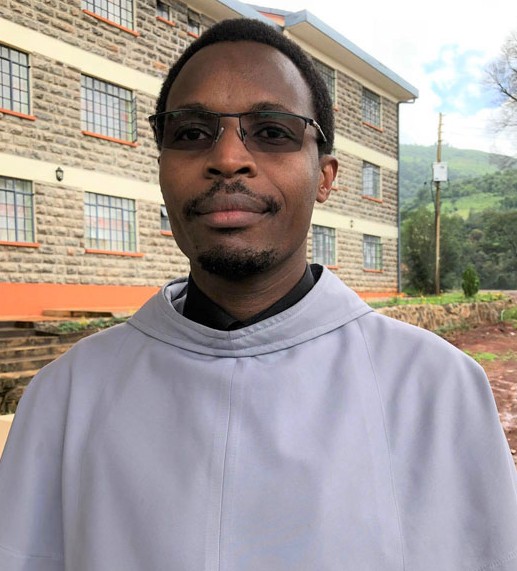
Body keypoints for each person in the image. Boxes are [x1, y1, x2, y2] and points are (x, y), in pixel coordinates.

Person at [0, 17, 516, 571]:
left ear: (325, 175)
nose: (227, 158)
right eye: (191, 133)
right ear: (161, 168)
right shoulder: (66, 398)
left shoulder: (435, 391)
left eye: (271, 132)